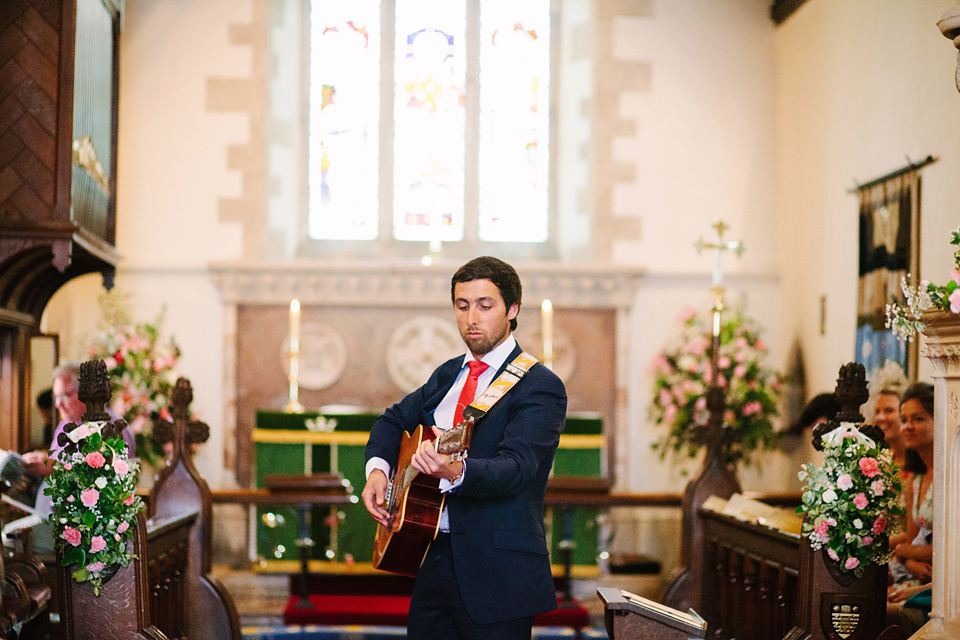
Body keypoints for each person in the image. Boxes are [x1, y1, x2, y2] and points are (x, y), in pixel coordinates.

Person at [362, 256, 567, 639]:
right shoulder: (447, 373)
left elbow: (517, 468)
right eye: (462, 305)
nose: (472, 317)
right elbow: (391, 421)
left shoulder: (540, 385)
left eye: (485, 305)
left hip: (500, 572)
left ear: (512, 309)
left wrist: (453, 471)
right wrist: (378, 471)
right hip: (432, 555)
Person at [887, 382, 935, 628]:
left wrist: (904, 552)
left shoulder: (950, 477)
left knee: (875, 612)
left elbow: (948, 551)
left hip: (940, 583)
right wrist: (910, 560)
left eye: (917, 419)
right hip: (917, 573)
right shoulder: (914, 481)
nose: (907, 426)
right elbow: (913, 541)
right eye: (904, 419)